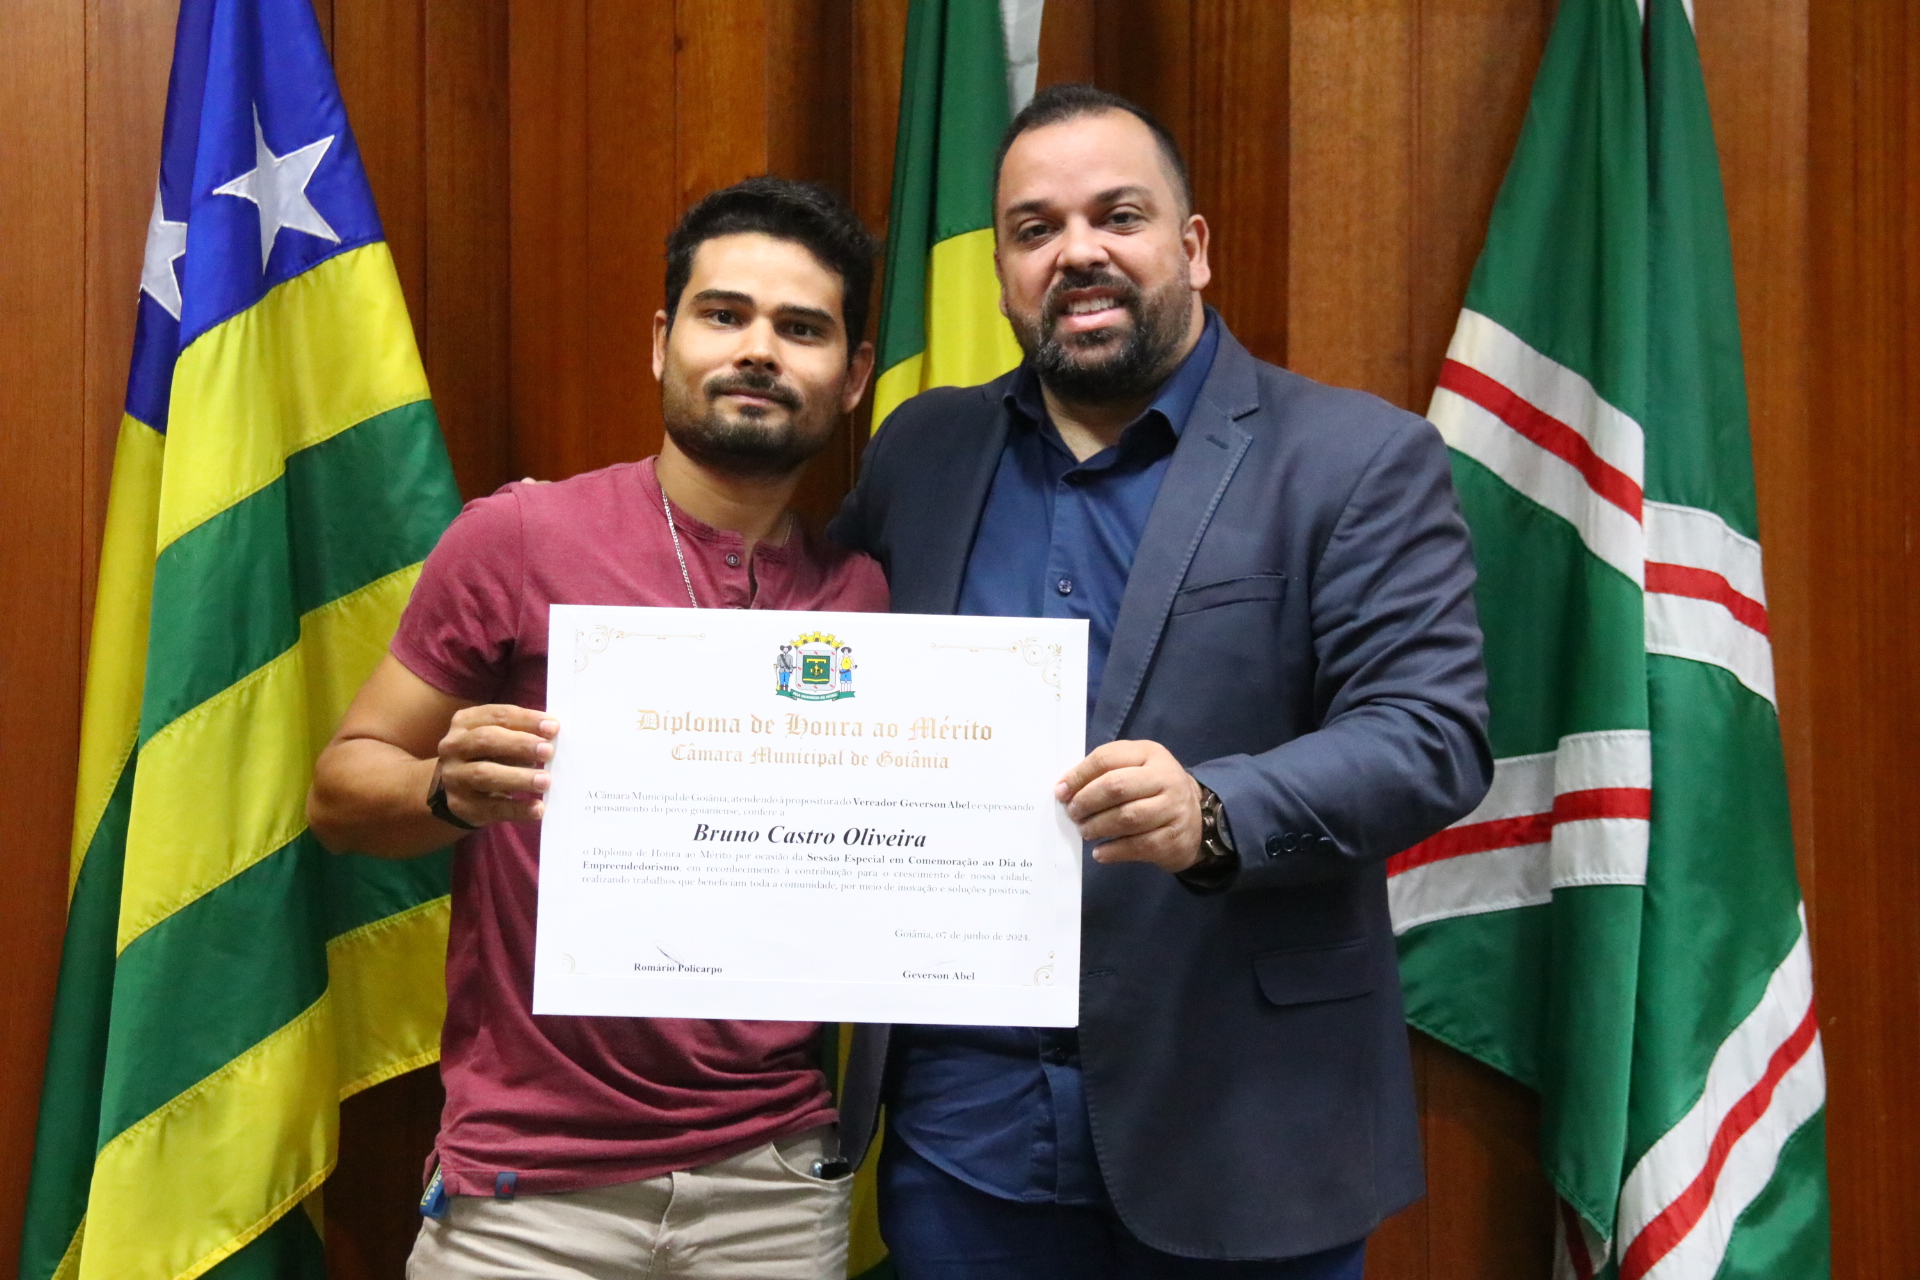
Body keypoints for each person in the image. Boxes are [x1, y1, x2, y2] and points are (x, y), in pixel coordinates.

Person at [829, 85, 1493, 1279]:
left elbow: (1430, 734)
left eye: (1117, 215)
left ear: (1192, 245)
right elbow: (813, 659)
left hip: (1247, 1129)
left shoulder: (1355, 456)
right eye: (1035, 229)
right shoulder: (920, 450)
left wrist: (1216, 808)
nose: (1077, 251)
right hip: (968, 1143)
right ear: (1002, 276)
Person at [307, 176, 885, 1280]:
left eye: (801, 328)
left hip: (773, 1180)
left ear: (853, 375)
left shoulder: (866, 600)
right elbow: (340, 793)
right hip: (529, 1187)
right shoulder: (521, 535)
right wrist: (445, 790)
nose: (758, 350)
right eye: (724, 314)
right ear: (664, 341)